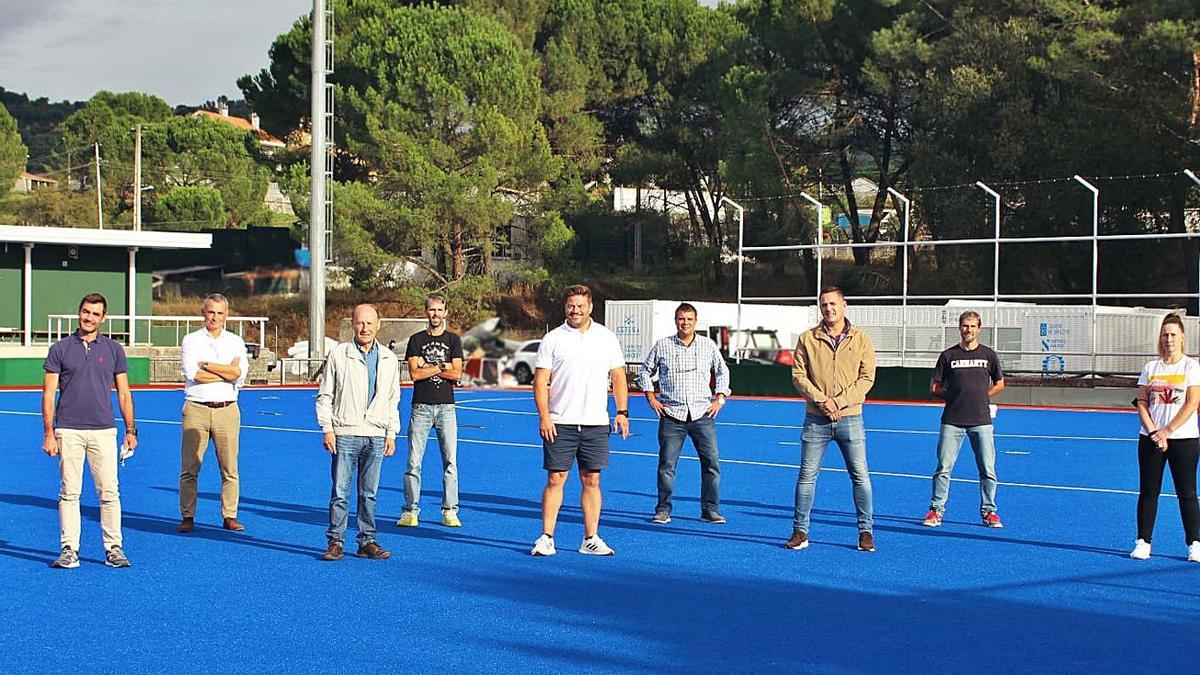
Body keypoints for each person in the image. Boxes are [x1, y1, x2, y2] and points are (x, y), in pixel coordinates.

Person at [531, 284, 629, 557]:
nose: (575, 310)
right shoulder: (553, 338)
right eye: (571, 306)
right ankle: (547, 537)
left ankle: (590, 538)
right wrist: (544, 417)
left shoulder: (606, 338)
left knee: (592, 480)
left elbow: (619, 376)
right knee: (556, 478)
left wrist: (622, 412)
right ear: (565, 308)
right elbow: (540, 382)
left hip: (595, 422)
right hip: (560, 422)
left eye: (580, 306)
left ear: (590, 308)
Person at [41, 293, 137, 569]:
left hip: (104, 431)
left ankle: (113, 548)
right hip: (68, 431)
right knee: (69, 493)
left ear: (103, 318)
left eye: (95, 314)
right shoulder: (59, 349)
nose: (89, 317)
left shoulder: (114, 350)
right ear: (79, 312)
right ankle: (69, 550)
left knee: (109, 492)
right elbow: (48, 395)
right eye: (85, 312)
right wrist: (49, 433)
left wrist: (131, 430)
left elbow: (124, 394)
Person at [787, 287, 877, 552]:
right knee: (806, 477)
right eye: (824, 304)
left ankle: (866, 532)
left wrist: (838, 402)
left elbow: (866, 379)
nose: (829, 308)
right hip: (816, 419)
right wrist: (822, 401)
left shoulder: (862, 340)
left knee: (860, 476)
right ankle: (800, 531)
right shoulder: (807, 339)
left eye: (833, 304)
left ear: (844, 305)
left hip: (850, 419)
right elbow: (798, 376)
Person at [315, 304, 401, 561]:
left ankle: (367, 541)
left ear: (378, 325)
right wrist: (328, 429)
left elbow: (392, 399)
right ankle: (336, 542)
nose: (365, 328)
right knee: (340, 492)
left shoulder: (388, 358)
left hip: (375, 434)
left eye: (370, 323)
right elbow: (325, 395)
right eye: (360, 323)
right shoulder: (339, 355)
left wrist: (391, 433)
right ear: (352, 324)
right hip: (345, 432)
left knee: (369, 493)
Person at [639, 302, 731, 524]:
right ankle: (663, 509)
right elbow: (644, 371)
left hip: (702, 415)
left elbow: (722, 370)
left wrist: (720, 397)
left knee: (711, 464)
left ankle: (710, 510)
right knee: (667, 466)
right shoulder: (662, 346)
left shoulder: (708, 346)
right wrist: (651, 397)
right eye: (681, 319)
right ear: (675, 321)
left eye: (689, 319)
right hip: (673, 415)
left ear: (695, 322)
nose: (685, 323)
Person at [921, 311, 1006, 529]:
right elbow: (934, 387)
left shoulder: (989, 355)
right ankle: (936, 510)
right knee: (943, 468)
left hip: (981, 420)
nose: (968, 330)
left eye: (972, 326)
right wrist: (954, 396)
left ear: (979, 328)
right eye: (965, 326)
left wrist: (982, 395)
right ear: (959, 328)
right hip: (952, 420)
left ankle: (989, 512)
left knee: (987, 469)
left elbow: (1000, 383)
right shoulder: (948, 356)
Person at [1131, 313, 1200, 562]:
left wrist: (1168, 431)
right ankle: (1143, 541)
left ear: (1182, 337)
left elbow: (1192, 402)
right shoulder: (1151, 368)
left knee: (1187, 493)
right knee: (1149, 491)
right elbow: (1141, 402)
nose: (1168, 339)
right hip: (1150, 439)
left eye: (1173, 334)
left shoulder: (1191, 367)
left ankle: (1194, 542)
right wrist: (1153, 432)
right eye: (1164, 334)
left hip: (1184, 439)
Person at [177, 293, 249, 533]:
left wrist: (206, 364)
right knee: (190, 468)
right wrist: (225, 371)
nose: (215, 317)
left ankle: (230, 515)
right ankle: (187, 516)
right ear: (203, 313)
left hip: (227, 410)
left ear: (226, 315)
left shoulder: (236, 342)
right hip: (196, 409)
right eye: (211, 312)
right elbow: (192, 374)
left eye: (219, 313)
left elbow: (238, 375)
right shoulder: (191, 340)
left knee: (230, 469)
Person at [398, 292, 465, 528]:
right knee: (413, 462)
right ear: (426, 312)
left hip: (446, 408)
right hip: (421, 408)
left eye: (439, 310)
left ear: (445, 312)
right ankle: (410, 510)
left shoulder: (453, 341)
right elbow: (414, 373)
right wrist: (441, 367)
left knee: (450, 462)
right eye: (431, 310)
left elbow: (457, 374)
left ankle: (450, 510)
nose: (435, 314)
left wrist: (430, 365)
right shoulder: (416, 340)